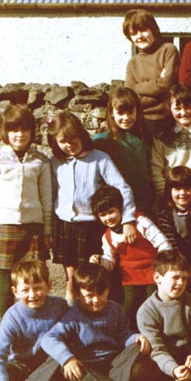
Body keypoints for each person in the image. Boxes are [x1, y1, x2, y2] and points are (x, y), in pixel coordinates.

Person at [30, 263, 154, 381]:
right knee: (66, 366)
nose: (96, 300)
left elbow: (124, 335)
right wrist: (67, 359)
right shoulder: (74, 315)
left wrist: (135, 338)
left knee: (138, 347)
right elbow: (49, 338)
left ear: (108, 289)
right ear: (77, 294)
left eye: (100, 294)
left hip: (114, 363)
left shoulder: (116, 309)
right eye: (89, 295)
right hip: (87, 365)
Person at [48, 111, 137, 302]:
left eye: (73, 139)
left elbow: (122, 188)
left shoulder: (99, 158)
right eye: (63, 142)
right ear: (55, 142)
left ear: (81, 135)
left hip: (92, 227)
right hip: (66, 226)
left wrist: (128, 219)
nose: (69, 145)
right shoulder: (55, 162)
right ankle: (73, 313)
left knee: (95, 276)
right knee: (71, 279)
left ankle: (99, 313)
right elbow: (51, 194)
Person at [0, 105, 52, 316]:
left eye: (24, 129)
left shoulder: (41, 160)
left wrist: (47, 231)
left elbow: (46, 198)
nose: (19, 134)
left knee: (35, 280)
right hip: (4, 227)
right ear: (6, 132)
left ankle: (36, 329)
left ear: (32, 131)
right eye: (13, 129)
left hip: (33, 227)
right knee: (8, 282)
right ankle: (7, 337)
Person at [136, 249, 191, 381]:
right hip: (165, 360)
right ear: (158, 278)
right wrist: (173, 369)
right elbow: (156, 349)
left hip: (190, 357)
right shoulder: (146, 310)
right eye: (175, 278)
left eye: (184, 279)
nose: (180, 283)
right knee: (139, 370)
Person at [88, 185, 171, 327]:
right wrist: (100, 261)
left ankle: (159, 333)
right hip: (131, 277)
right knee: (130, 306)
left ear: (120, 209)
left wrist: (164, 268)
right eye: (103, 215)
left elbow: (163, 243)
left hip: (153, 272)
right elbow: (110, 263)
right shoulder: (107, 236)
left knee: (155, 303)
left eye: (111, 212)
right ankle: (131, 336)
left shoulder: (140, 221)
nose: (108, 218)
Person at [0, 261, 67, 381]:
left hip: (48, 364)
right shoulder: (12, 317)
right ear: (15, 291)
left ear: (49, 286)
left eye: (38, 288)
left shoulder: (59, 306)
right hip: (22, 364)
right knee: (5, 371)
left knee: (61, 360)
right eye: (25, 290)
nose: (32, 295)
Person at [153, 166, 191, 321]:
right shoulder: (165, 213)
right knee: (173, 283)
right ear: (169, 191)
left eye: (187, 188)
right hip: (175, 259)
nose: (182, 193)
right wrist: (181, 265)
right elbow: (169, 241)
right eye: (177, 189)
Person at [150, 85, 191, 205]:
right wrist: (168, 199)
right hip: (171, 202)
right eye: (178, 108)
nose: (183, 112)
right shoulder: (162, 137)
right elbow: (156, 170)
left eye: (188, 107)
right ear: (170, 109)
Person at [93, 87, 153, 213]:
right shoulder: (100, 141)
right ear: (111, 113)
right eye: (120, 113)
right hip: (112, 207)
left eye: (130, 112)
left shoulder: (145, 139)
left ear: (137, 111)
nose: (126, 118)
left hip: (143, 204)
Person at [123, 9, 180, 136]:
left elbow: (167, 84)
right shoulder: (132, 63)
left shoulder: (168, 50)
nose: (139, 36)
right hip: (140, 123)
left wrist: (138, 87)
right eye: (134, 33)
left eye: (143, 30)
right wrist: (157, 84)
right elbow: (130, 97)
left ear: (153, 30)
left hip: (165, 121)